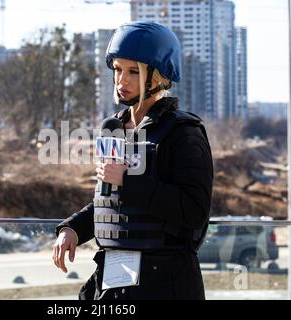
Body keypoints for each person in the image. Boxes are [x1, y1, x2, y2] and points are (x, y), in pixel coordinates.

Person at [52, 21, 213, 300]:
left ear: (159, 76)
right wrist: (73, 229)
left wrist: (128, 180)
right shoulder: (113, 128)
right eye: (117, 70)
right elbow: (110, 202)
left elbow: (194, 210)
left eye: (133, 71)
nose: (121, 80)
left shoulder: (183, 133)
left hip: (165, 283)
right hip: (114, 279)